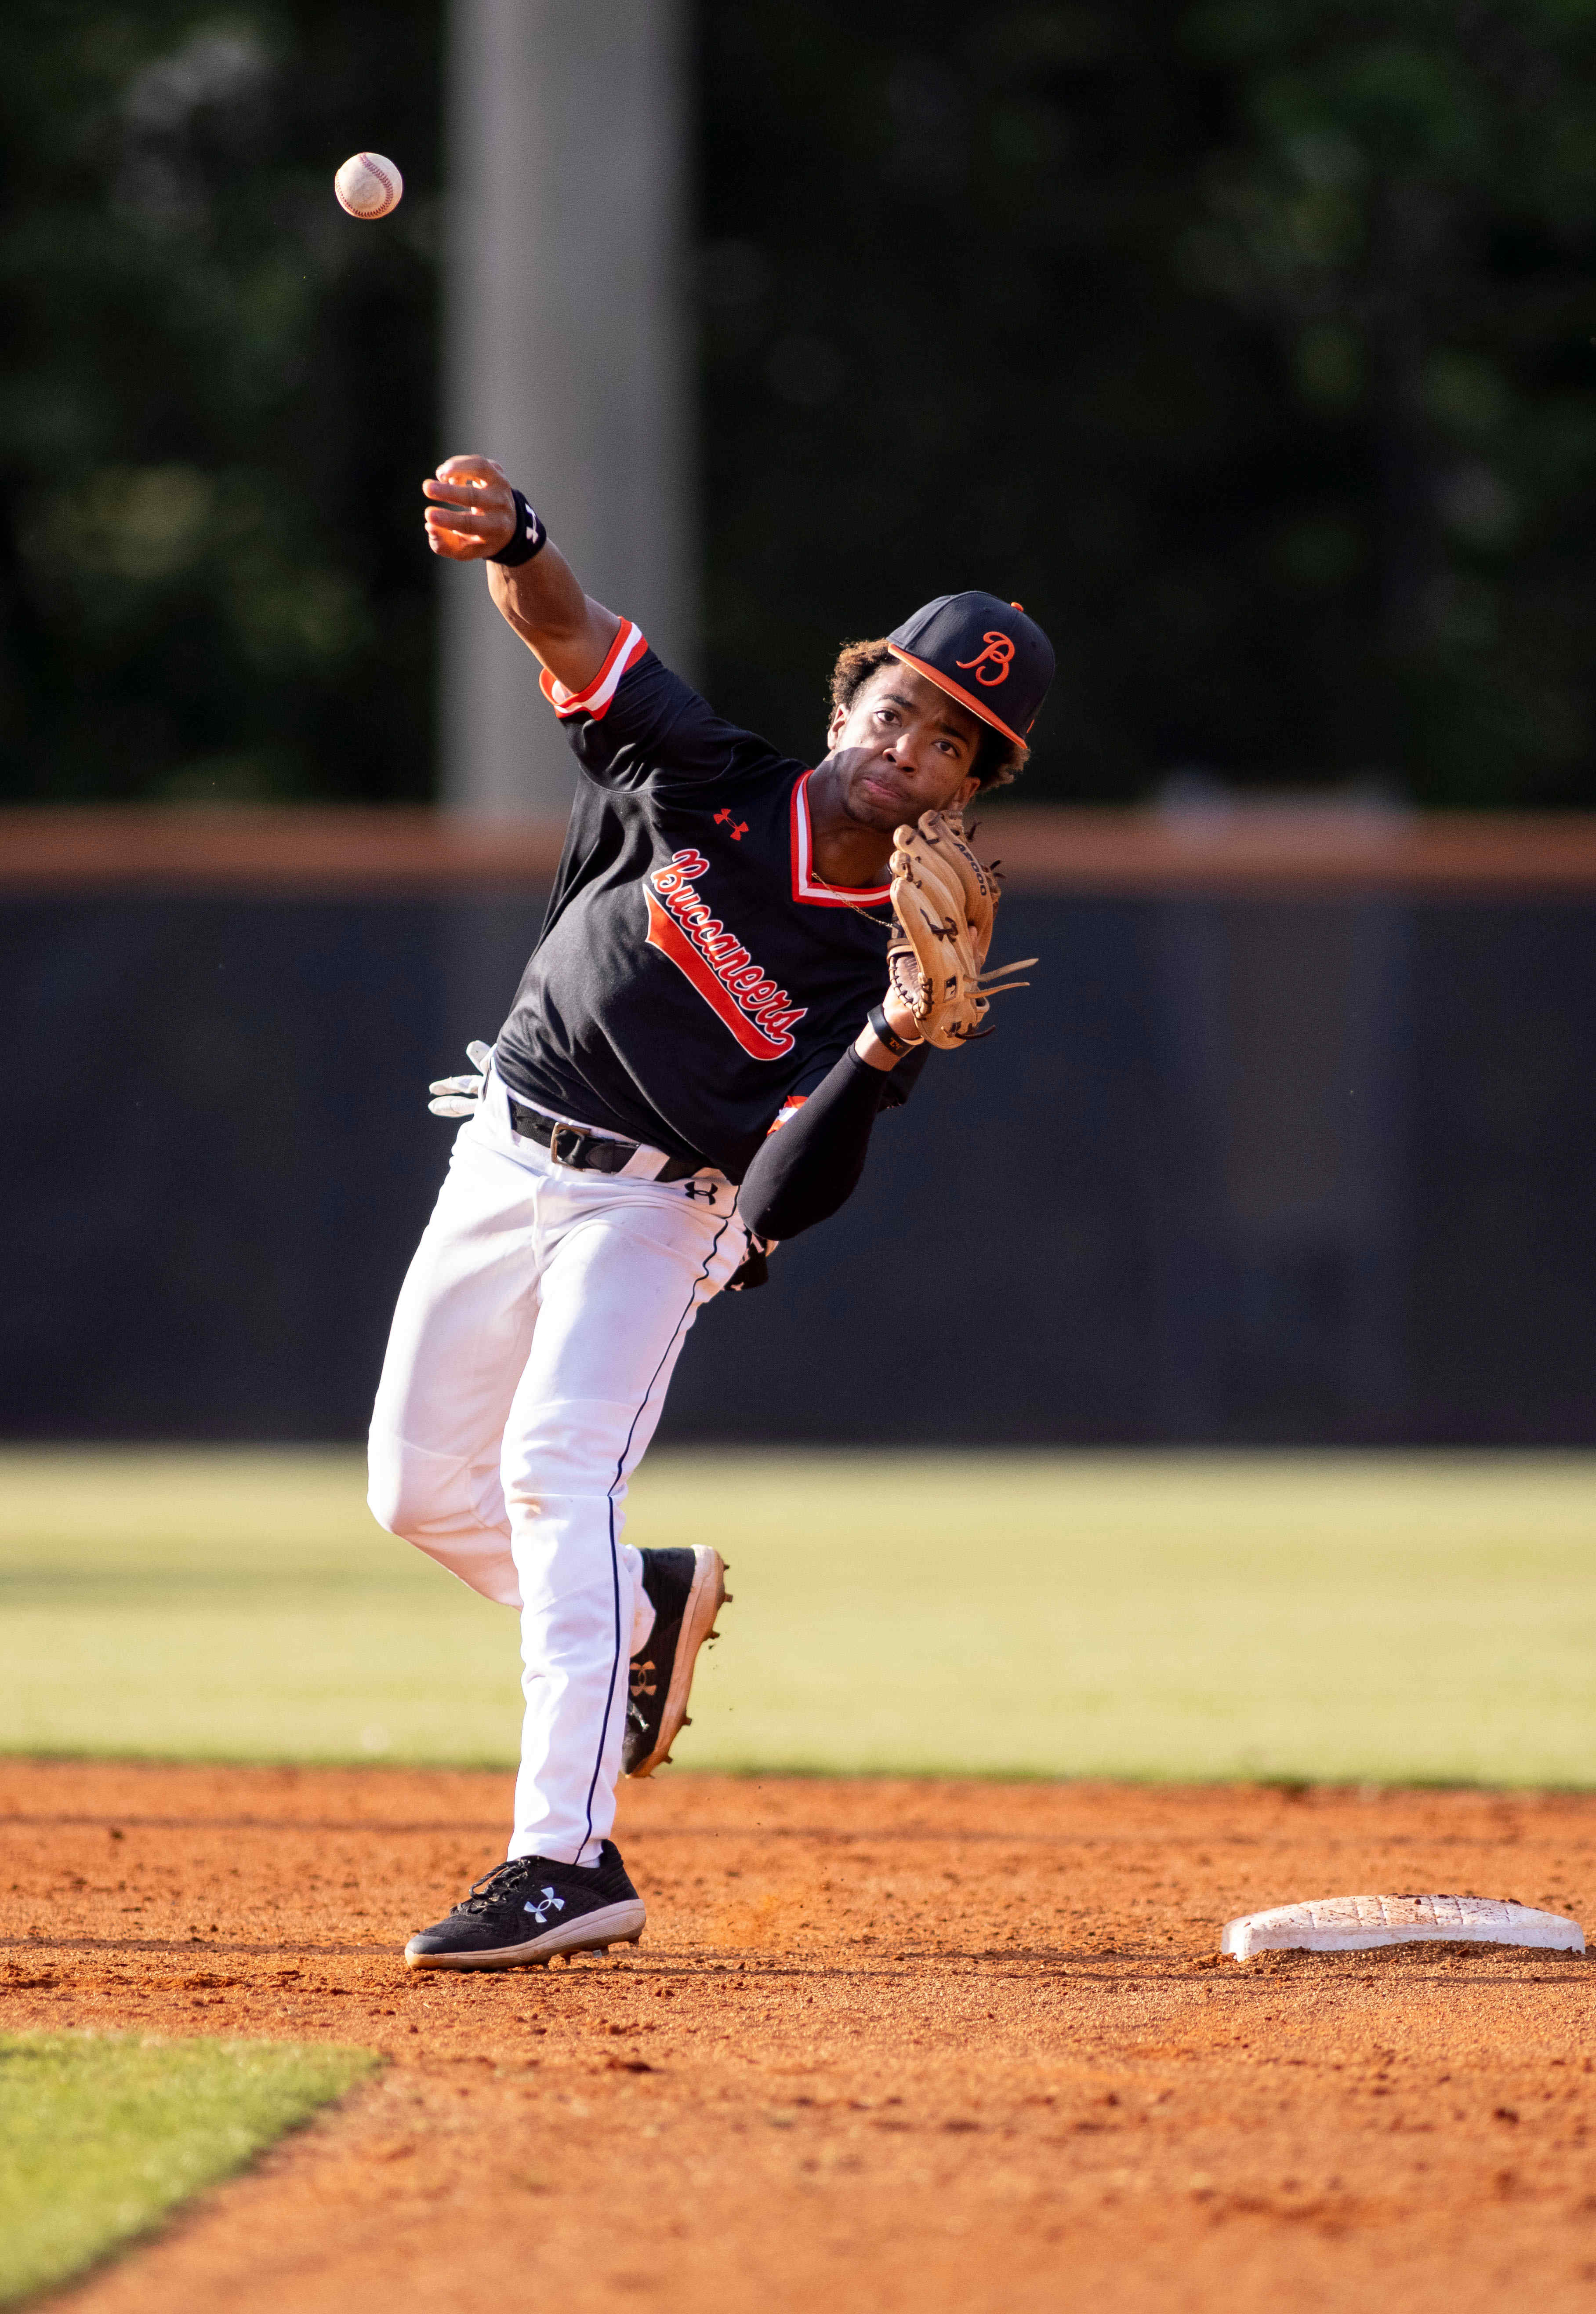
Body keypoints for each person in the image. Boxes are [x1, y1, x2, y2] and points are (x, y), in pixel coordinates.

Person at [368, 453, 1053, 1969]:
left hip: (661, 1214)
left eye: (952, 741)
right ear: (846, 705)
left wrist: (884, 1042)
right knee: (414, 1492)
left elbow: (796, 1192)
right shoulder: (707, 774)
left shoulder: (893, 957)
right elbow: (567, 630)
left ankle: (564, 1854)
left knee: (554, 1470)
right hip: (504, 1143)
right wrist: (521, 537)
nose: (910, 745)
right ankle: (640, 1605)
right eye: (899, 706)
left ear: (968, 788)